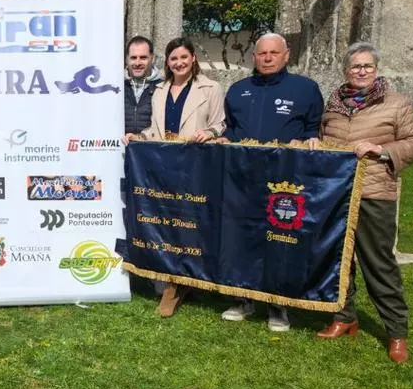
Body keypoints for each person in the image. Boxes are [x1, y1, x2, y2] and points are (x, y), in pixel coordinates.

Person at [317, 42, 413, 364]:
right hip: (337, 193)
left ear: (376, 70)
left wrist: (382, 150)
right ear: (345, 70)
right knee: (339, 261)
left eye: (367, 66)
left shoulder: (395, 103)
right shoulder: (334, 104)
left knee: (378, 263)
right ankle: (344, 316)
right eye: (355, 66)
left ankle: (396, 331)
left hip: (374, 193)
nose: (361, 71)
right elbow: (326, 139)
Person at [218, 32, 323, 332]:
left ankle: (278, 305)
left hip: (284, 183)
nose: (267, 58)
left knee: (280, 241)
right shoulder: (238, 90)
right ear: (254, 57)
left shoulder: (305, 89)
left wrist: (309, 140)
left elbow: (314, 130)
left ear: (286, 55)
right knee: (242, 239)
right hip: (243, 179)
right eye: (262, 53)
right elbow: (232, 130)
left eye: (273, 53)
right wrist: (223, 139)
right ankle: (242, 298)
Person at [123, 37, 226, 317]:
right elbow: (155, 129)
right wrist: (139, 136)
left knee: (190, 224)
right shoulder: (160, 90)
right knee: (168, 221)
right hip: (164, 166)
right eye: (173, 59)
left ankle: (185, 281)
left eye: (183, 57)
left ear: (193, 58)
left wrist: (211, 133)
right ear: (167, 62)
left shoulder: (211, 88)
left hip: (196, 164)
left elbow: (221, 122)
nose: (179, 63)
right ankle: (172, 280)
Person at [124, 36, 163, 136]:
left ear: (152, 58)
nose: (137, 63)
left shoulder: (163, 87)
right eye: (133, 58)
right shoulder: (117, 87)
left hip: (150, 145)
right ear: (127, 59)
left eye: (143, 58)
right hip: (120, 145)